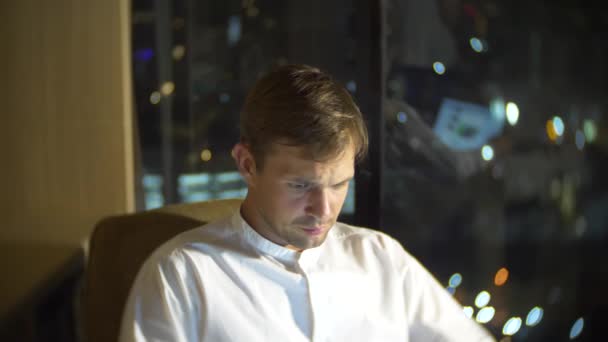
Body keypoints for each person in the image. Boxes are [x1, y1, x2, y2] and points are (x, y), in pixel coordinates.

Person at [119, 64, 495, 341]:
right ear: (247, 165)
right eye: (301, 185)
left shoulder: (381, 259)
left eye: (339, 184)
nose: (324, 209)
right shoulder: (183, 277)